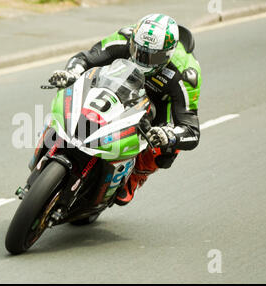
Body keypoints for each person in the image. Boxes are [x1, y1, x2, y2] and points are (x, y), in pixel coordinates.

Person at [48, 13, 202, 206]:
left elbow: (191, 129)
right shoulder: (124, 38)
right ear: (134, 40)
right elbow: (86, 58)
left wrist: (169, 134)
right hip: (118, 80)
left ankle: (135, 176)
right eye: (138, 50)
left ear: (168, 55)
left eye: (151, 57)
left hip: (158, 100)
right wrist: (71, 72)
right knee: (75, 89)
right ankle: (56, 140)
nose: (142, 59)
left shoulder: (185, 73)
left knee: (166, 149)